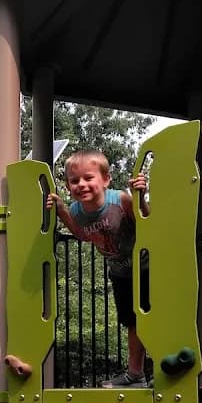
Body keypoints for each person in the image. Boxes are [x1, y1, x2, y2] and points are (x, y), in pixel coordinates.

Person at [47, 149, 149, 388]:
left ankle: (155, 366)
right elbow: (81, 234)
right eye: (74, 181)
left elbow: (147, 223)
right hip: (120, 272)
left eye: (88, 178)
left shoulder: (120, 201)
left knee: (149, 317)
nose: (81, 184)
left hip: (146, 267)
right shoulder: (77, 212)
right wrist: (61, 210)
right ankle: (136, 374)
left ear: (105, 179)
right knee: (131, 321)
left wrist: (140, 197)